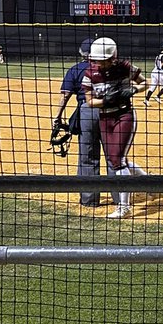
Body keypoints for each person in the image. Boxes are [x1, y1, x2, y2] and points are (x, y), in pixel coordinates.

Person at [82, 36, 147, 219]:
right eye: (97, 61)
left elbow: (145, 83)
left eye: (102, 61)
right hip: (105, 117)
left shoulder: (125, 67)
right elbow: (89, 101)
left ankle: (123, 207)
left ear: (112, 57)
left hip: (124, 115)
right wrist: (105, 100)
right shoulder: (90, 74)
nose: (99, 64)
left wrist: (133, 90)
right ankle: (149, 181)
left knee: (117, 159)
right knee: (115, 159)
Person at [52, 37, 103, 207]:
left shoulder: (75, 70)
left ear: (81, 52)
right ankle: (120, 200)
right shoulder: (107, 68)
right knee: (113, 158)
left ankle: (90, 199)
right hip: (110, 112)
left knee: (88, 157)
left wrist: (57, 117)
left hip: (87, 111)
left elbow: (65, 95)